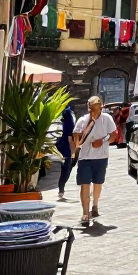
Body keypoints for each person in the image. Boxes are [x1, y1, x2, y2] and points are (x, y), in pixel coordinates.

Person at [72, 96, 118, 227]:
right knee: (84, 184)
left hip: (101, 157)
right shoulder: (82, 121)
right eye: (93, 109)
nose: (96, 112)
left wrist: (102, 141)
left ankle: (95, 205)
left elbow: (114, 134)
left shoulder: (107, 119)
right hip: (85, 158)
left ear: (101, 108)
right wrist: (76, 142)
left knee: (98, 183)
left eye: (98, 109)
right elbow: (76, 138)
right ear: (90, 109)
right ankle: (85, 213)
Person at [55, 104, 76, 201]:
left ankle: (61, 189)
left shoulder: (64, 122)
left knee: (65, 169)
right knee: (66, 170)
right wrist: (73, 152)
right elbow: (70, 139)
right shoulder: (69, 123)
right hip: (67, 149)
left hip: (61, 148)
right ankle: (61, 189)